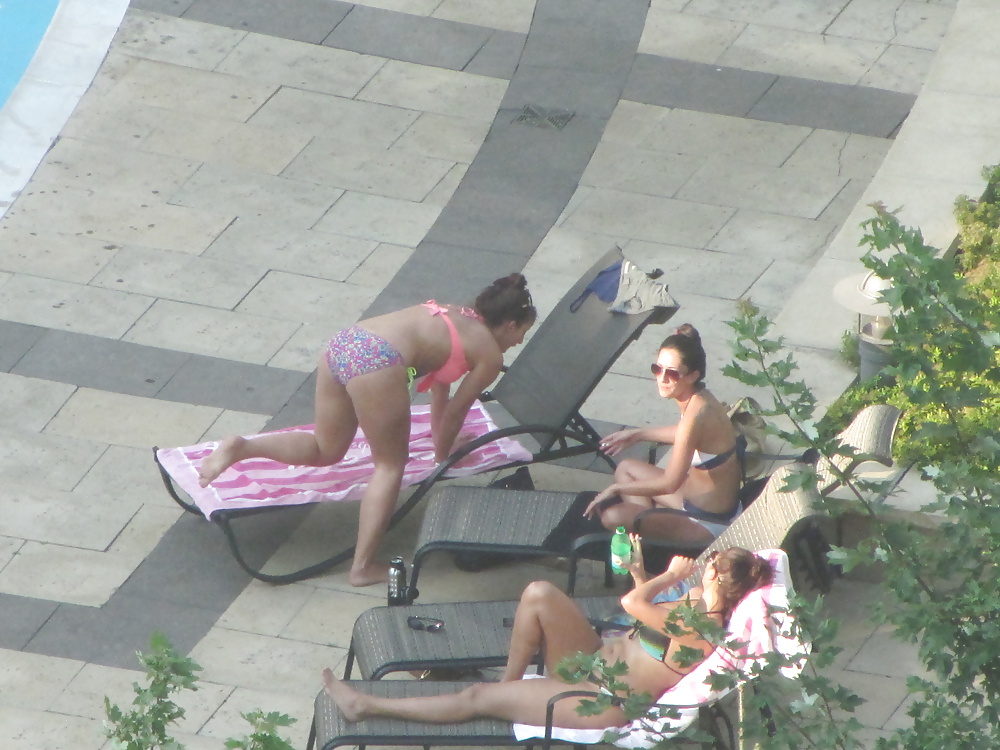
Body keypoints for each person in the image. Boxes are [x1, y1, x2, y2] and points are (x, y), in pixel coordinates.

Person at [197, 274, 537, 587]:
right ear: (510, 324)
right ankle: (361, 568)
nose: (520, 342)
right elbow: (455, 414)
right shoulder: (489, 354)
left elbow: (440, 390)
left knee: (325, 449)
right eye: (523, 332)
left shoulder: (457, 314)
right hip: (378, 360)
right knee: (390, 465)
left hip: (347, 342)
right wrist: (444, 456)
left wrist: (440, 446)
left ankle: (241, 447)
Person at [322, 544, 774, 729]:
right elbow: (642, 612)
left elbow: (634, 607)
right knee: (539, 593)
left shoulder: (703, 629)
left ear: (718, 577)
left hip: (601, 698)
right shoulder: (696, 603)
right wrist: (640, 570)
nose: (701, 564)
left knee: (475, 696)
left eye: (710, 563)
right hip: (595, 659)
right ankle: (511, 687)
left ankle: (365, 705)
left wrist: (665, 576)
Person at [584, 324, 743, 544]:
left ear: (692, 375)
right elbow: (688, 435)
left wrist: (615, 489)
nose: (662, 378)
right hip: (693, 500)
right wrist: (639, 434)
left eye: (672, 373)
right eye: (657, 369)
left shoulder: (695, 416)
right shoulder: (700, 398)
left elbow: (670, 483)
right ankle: (649, 537)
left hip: (707, 522)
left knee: (612, 516)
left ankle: (649, 539)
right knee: (626, 468)